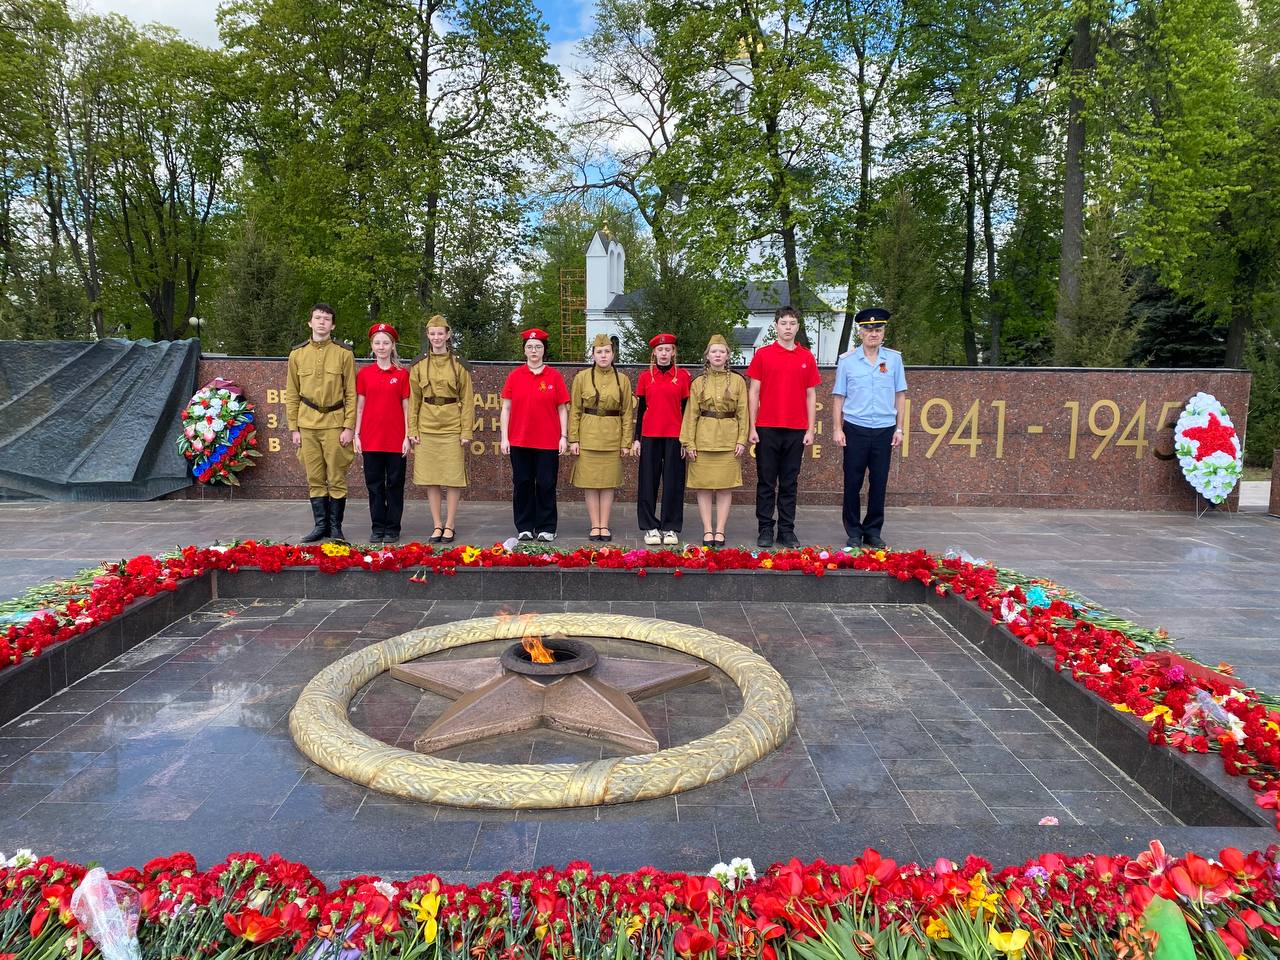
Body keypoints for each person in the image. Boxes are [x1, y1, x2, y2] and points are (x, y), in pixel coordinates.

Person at [833, 306, 907, 549]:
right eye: (868, 329)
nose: (873, 333)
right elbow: (839, 397)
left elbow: (900, 395)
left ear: (884, 332)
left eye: (878, 329)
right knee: (852, 482)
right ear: (860, 332)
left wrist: (899, 428)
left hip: (885, 428)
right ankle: (853, 531)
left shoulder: (893, 359)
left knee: (879, 482)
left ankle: (873, 530)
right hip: (856, 428)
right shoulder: (847, 361)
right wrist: (837, 428)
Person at [746, 305, 819, 548]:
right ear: (776, 326)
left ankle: (787, 530)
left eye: (792, 323)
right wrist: (752, 427)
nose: (788, 327)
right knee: (766, 482)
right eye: (784, 323)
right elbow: (754, 392)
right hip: (767, 427)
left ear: (798, 327)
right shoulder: (763, 355)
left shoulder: (806, 357)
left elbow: (811, 394)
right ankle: (765, 528)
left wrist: (810, 429)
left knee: (789, 483)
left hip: (796, 429)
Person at [285, 303, 356, 543]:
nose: (322, 322)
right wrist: (294, 428)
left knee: (336, 477)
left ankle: (335, 528)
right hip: (307, 424)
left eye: (326, 319)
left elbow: (351, 393)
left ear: (332, 325)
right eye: (318, 318)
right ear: (310, 322)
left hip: (335, 423)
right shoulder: (297, 355)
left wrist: (348, 426)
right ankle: (320, 526)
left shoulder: (344, 354)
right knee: (314, 477)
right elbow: (292, 393)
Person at [407, 315, 474, 543]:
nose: (436, 337)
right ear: (428, 336)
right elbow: (414, 400)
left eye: (440, 333)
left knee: (453, 478)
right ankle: (437, 524)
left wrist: (466, 432)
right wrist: (412, 429)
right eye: (432, 333)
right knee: (431, 477)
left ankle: (450, 524)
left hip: (452, 426)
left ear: (448, 335)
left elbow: (467, 401)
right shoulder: (418, 365)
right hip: (427, 426)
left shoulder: (459, 365)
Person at [500, 328, 570, 541]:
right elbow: (506, 408)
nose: (534, 351)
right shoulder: (515, 376)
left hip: (548, 441)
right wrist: (504, 437)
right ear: (524, 350)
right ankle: (525, 526)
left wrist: (564, 436)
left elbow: (562, 408)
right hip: (520, 439)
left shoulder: (554, 376)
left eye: (538, 347)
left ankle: (547, 527)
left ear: (544, 350)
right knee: (522, 483)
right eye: (529, 347)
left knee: (546, 484)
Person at [680, 334, 748, 547]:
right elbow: (691, 414)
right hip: (703, 441)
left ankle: (720, 530)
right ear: (707, 356)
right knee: (703, 487)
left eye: (722, 351)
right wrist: (688, 442)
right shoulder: (698, 382)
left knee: (725, 488)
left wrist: (742, 440)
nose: (717, 355)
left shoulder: (738, 381)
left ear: (728, 356)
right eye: (713, 351)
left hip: (728, 441)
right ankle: (707, 529)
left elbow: (743, 413)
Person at [568, 333, 634, 542]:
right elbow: (575, 410)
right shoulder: (582, 377)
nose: (603, 356)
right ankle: (594, 525)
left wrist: (626, 442)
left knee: (607, 483)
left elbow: (627, 413)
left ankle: (604, 525)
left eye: (607, 352)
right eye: (599, 352)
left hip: (612, 437)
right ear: (593, 355)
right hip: (588, 436)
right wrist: (573, 439)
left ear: (613, 354)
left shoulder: (622, 380)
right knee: (590, 483)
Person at [631, 332, 691, 545]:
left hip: (675, 436)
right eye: (660, 350)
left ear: (673, 352)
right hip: (650, 435)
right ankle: (650, 526)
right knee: (648, 481)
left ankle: (671, 527)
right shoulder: (645, 376)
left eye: (668, 349)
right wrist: (636, 438)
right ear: (654, 353)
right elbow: (640, 410)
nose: (664, 353)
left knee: (674, 482)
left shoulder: (682, 376)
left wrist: (686, 439)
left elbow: (687, 410)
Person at [354, 323, 410, 543]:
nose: (381, 347)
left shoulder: (402, 374)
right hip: (371, 438)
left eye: (386, 343)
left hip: (395, 439)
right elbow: (360, 407)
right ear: (372, 346)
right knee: (375, 486)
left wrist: (407, 436)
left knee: (395, 485)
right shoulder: (364, 374)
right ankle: (378, 527)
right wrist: (357, 434)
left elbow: (406, 408)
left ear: (392, 345)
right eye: (377, 343)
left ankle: (393, 527)